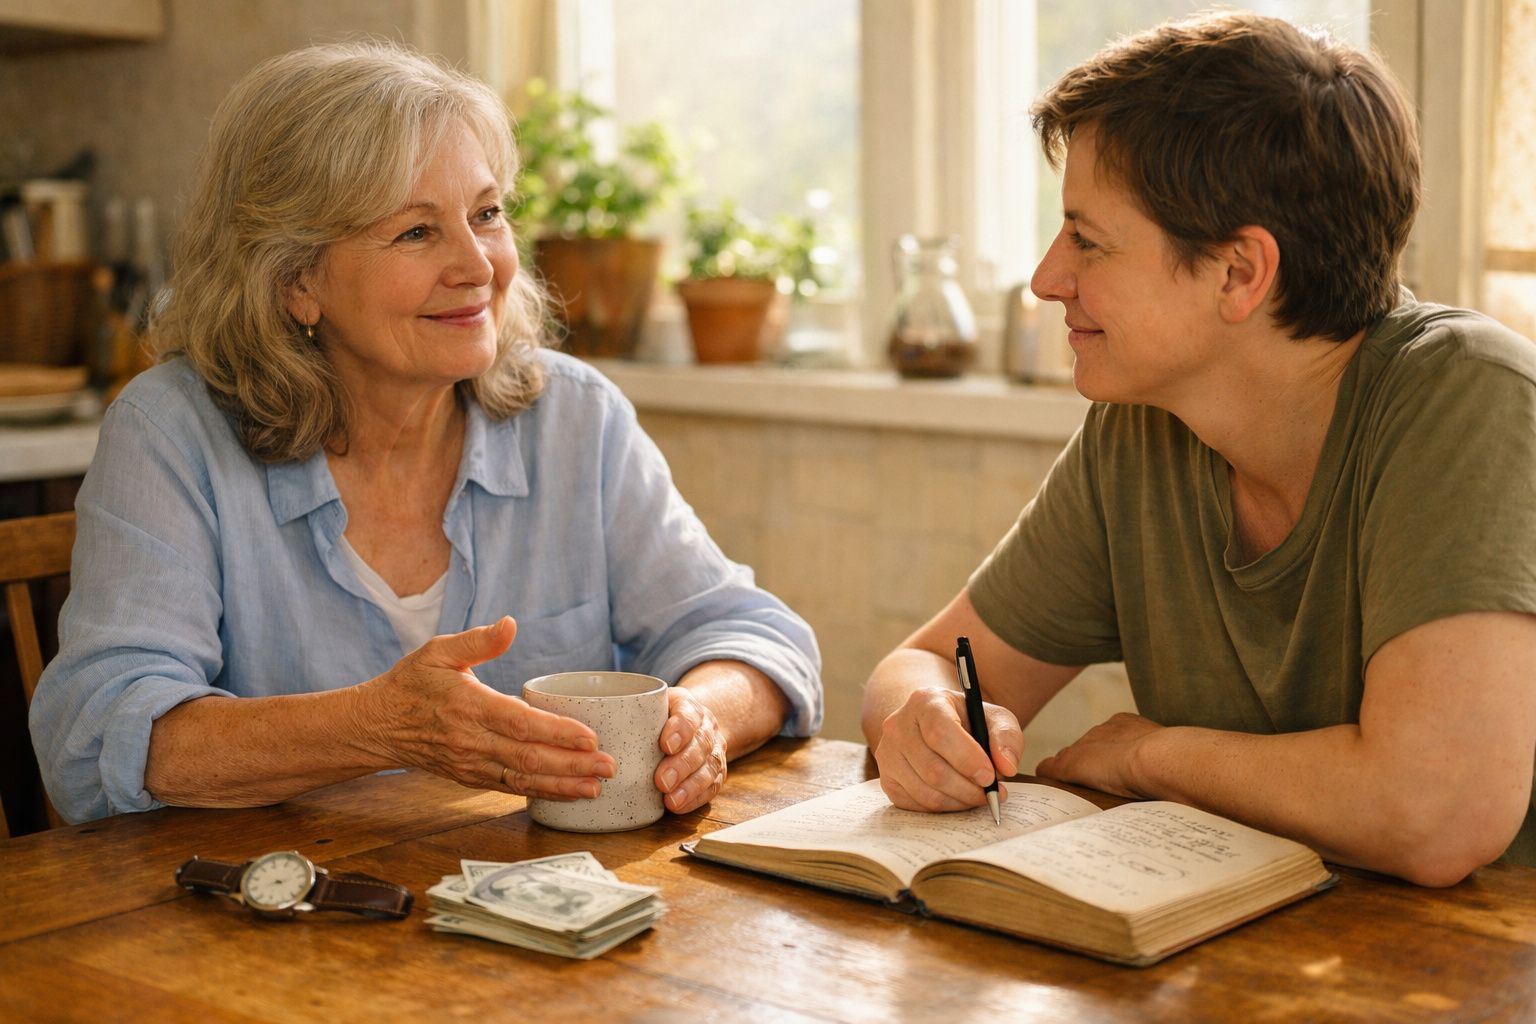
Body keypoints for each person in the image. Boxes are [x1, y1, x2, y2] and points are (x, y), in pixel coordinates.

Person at [29, 41, 821, 825]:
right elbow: (96, 736)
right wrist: (378, 726)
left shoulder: (575, 417)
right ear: (296, 280)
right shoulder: (172, 434)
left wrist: (704, 717)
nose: (478, 266)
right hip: (263, 924)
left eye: (486, 215)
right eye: (416, 232)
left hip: (539, 918)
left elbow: (749, 635)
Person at [862, 11, 1536, 887]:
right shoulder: (1145, 426)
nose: (1045, 278)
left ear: (1239, 273)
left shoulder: (1467, 394)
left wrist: (1152, 757)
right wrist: (918, 717)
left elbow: (1435, 815)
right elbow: (920, 663)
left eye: (1088, 240)